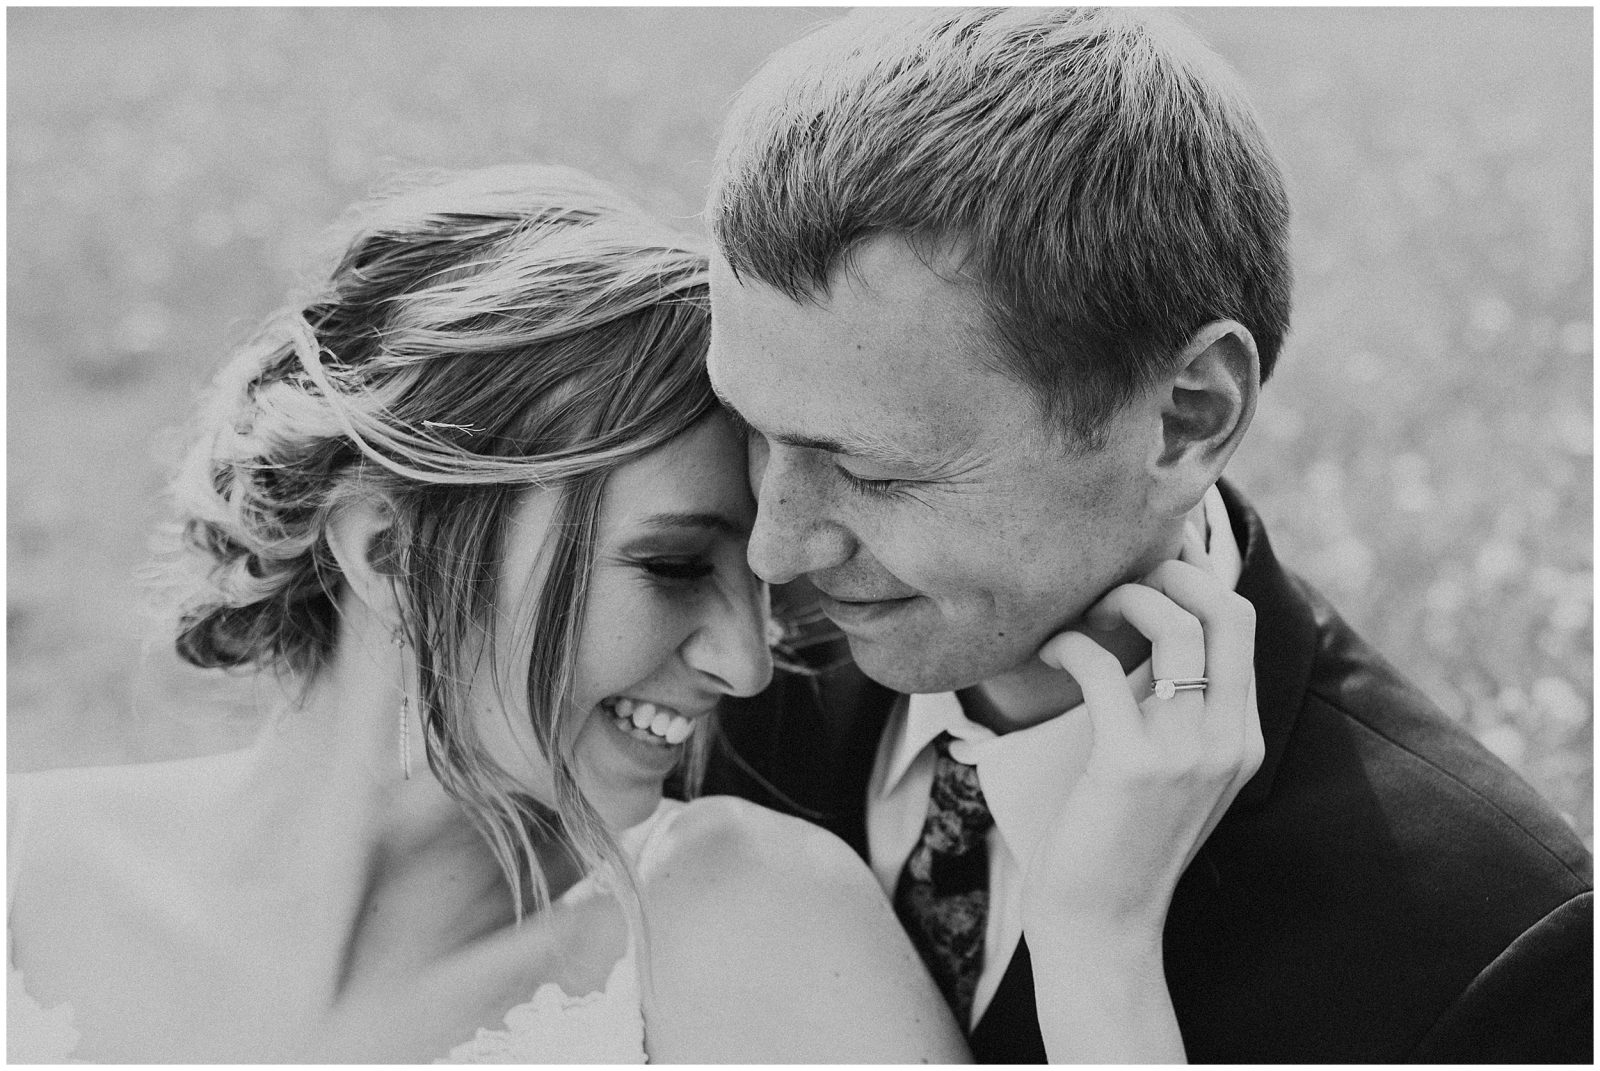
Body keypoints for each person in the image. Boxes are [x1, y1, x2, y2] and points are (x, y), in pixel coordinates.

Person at [701, 8, 1593, 1064]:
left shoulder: (1491, 949)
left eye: (874, 469)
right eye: (753, 433)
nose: (772, 551)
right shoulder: (706, 666)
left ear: (1188, 417)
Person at [7, 164, 974, 1063]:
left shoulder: (752, 922)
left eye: (762, 584)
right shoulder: (27, 878)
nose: (746, 661)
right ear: (390, 550)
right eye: (674, 564)